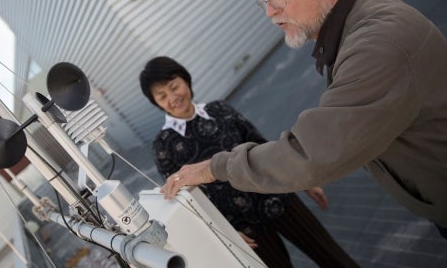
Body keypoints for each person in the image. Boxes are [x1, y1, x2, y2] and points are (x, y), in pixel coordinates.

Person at [160, 0, 447, 251]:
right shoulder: (358, 26)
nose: (269, 11)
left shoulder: (378, 44)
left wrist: (212, 168)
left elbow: (311, 155)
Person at [139, 56, 359, 268]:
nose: (172, 97)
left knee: (332, 256)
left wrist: (304, 180)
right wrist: (225, 233)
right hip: (244, 229)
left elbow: (260, 144)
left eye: (174, 86)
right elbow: (184, 201)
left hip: (278, 197)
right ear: (156, 103)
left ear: (185, 80)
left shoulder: (220, 109)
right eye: (161, 95)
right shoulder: (163, 146)